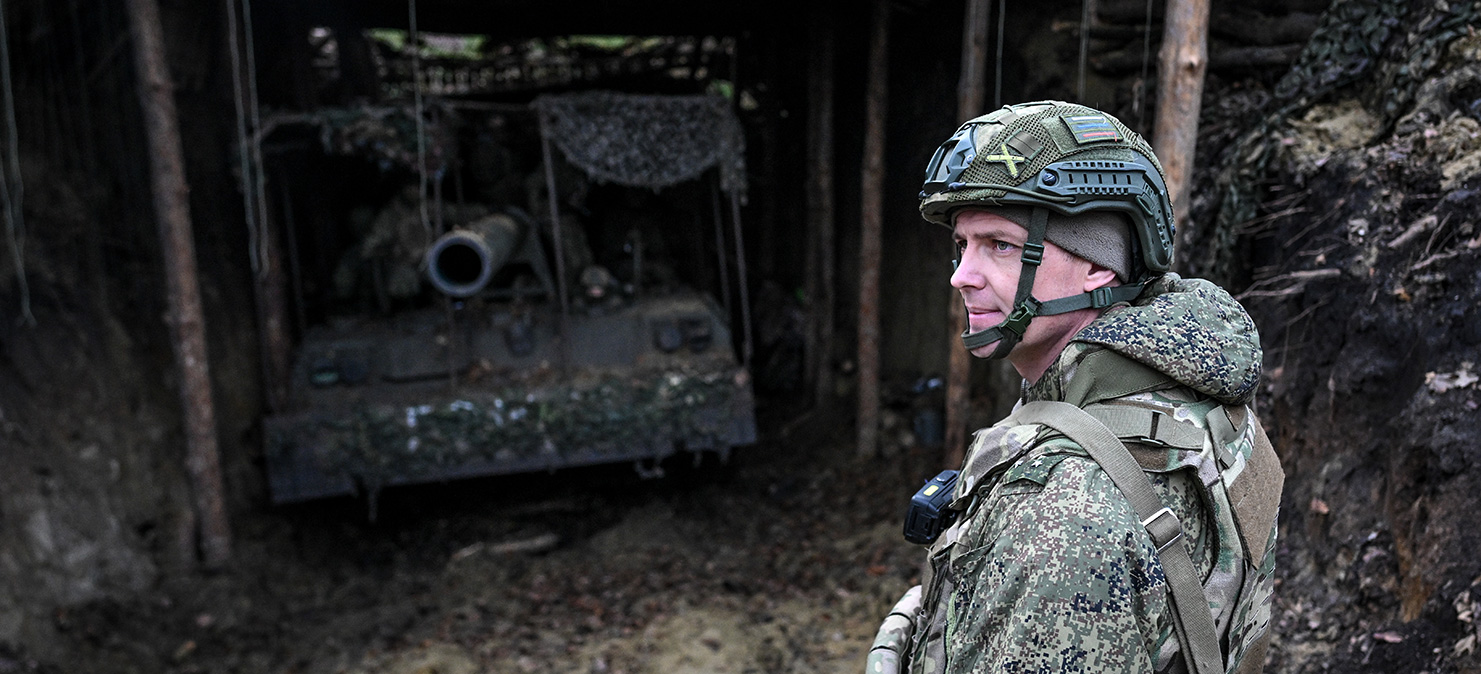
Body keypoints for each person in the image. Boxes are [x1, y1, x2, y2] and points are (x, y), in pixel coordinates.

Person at [867, 101, 1283, 674]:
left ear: (1097, 266)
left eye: (1000, 245)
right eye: (962, 246)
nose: (963, 275)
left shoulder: (1068, 509)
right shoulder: (1182, 399)